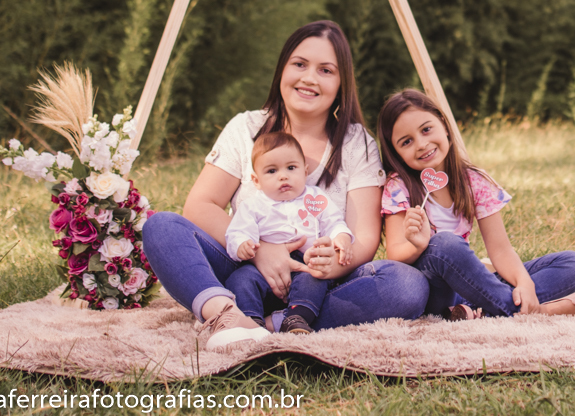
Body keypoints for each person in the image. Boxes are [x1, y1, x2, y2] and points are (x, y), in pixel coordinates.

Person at [142, 21, 429, 350]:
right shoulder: (246, 127)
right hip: (244, 272)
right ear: (282, 69)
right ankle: (224, 315)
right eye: (300, 64)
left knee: (408, 285)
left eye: (326, 70)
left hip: (319, 283)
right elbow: (200, 206)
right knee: (161, 226)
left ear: (341, 84)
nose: (309, 78)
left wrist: (333, 263)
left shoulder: (355, 142)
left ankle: (275, 324)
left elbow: (363, 236)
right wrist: (262, 252)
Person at [377, 89, 575, 321]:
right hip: (433, 291)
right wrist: (417, 245)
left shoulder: (473, 181)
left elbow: (500, 249)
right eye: (406, 142)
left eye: (426, 129)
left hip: (470, 287)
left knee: (571, 264)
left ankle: (478, 310)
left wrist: (524, 282)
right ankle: (534, 311)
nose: (421, 144)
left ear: (444, 125)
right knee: (445, 243)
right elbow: (394, 254)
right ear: (396, 153)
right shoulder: (399, 186)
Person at [224, 131, 353, 334]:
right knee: (240, 279)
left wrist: (341, 237)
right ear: (256, 181)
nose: (283, 175)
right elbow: (237, 231)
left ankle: (296, 317)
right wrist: (243, 244)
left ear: (305, 172)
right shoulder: (253, 206)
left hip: (304, 262)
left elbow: (333, 221)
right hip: (265, 269)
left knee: (315, 277)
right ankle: (251, 322)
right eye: (271, 171)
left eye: (291, 168)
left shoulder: (315, 197)